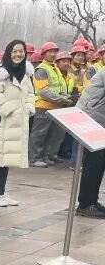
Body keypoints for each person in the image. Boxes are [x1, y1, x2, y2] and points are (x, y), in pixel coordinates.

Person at [0, 40, 34, 207]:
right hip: (0, 121)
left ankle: (2, 192)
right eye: (14, 51)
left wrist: (29, 107)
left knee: (7, 157)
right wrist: (8, 109)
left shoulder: (25, 73)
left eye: (21, 51)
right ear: (8, 53)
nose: (18, 54)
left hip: (17, 121)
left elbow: (30, 93)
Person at [29, 41, 72, 167]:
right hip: (43, 106)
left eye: (54, 52)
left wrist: (64, 97)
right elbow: (44, 90)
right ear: (44, 54)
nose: (52, 54)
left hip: (54, 106)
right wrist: (62, 100)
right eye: (49, 52)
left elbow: (61, 86)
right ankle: (35, 158)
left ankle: (44, 157)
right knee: (39, 134)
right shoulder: (42, 69)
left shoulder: (55, 68)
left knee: (49, 134)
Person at [76, 67, 105, 218]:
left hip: (100, 120)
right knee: (93, 164)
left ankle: (92, 201)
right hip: (93, 120)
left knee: (99, 164)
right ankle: (85, 204)